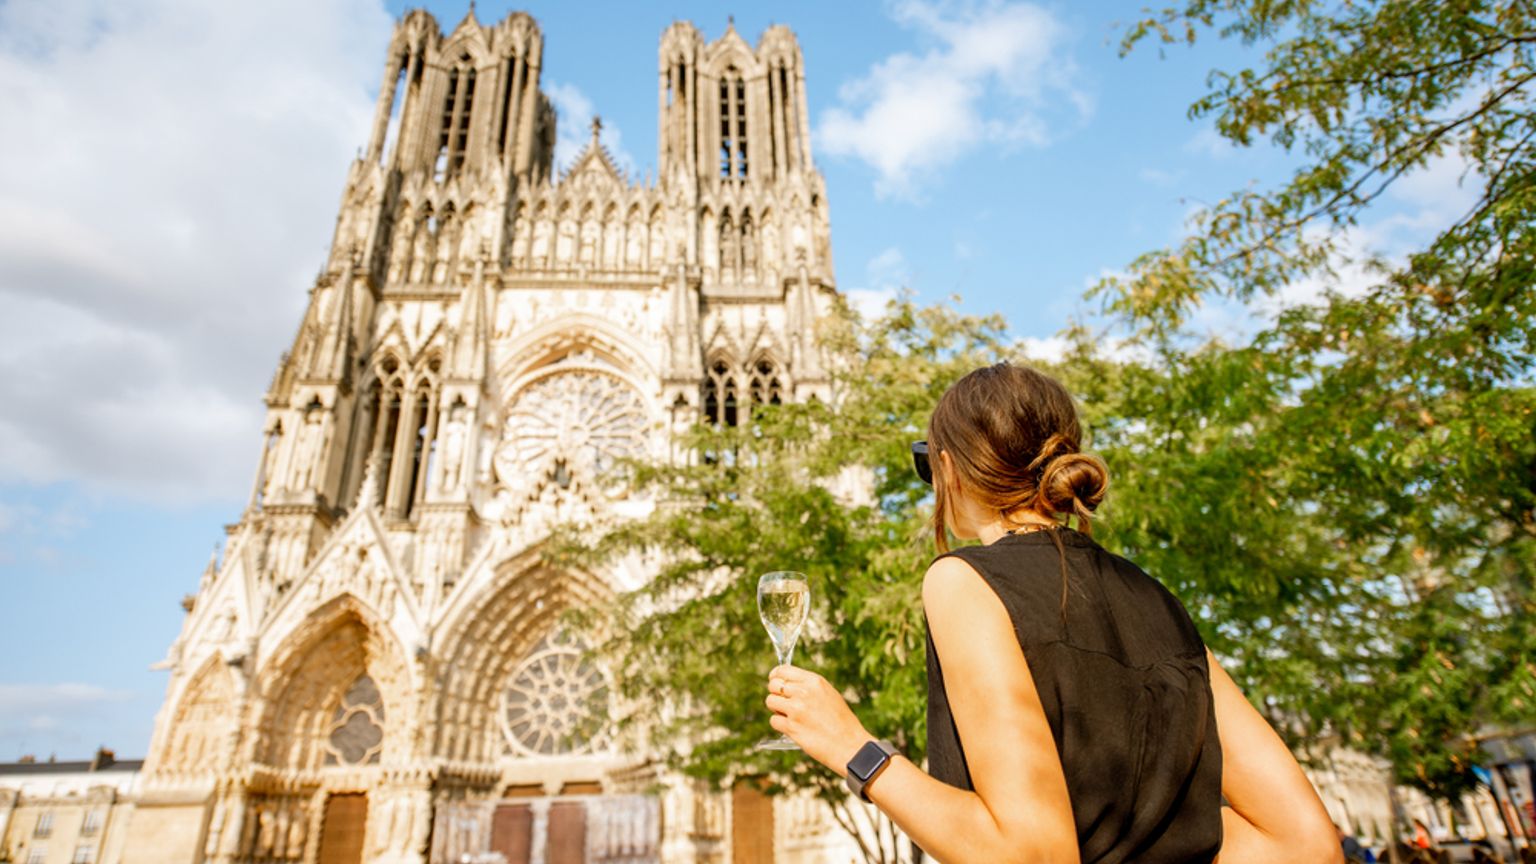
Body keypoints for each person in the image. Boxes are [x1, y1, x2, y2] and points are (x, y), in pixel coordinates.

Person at [764, 362, 1341, 863]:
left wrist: (854, 750)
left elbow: (1033, 855)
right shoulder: (1156, 598)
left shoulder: (963, 580)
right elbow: (1306, 846)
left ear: (950, 470)